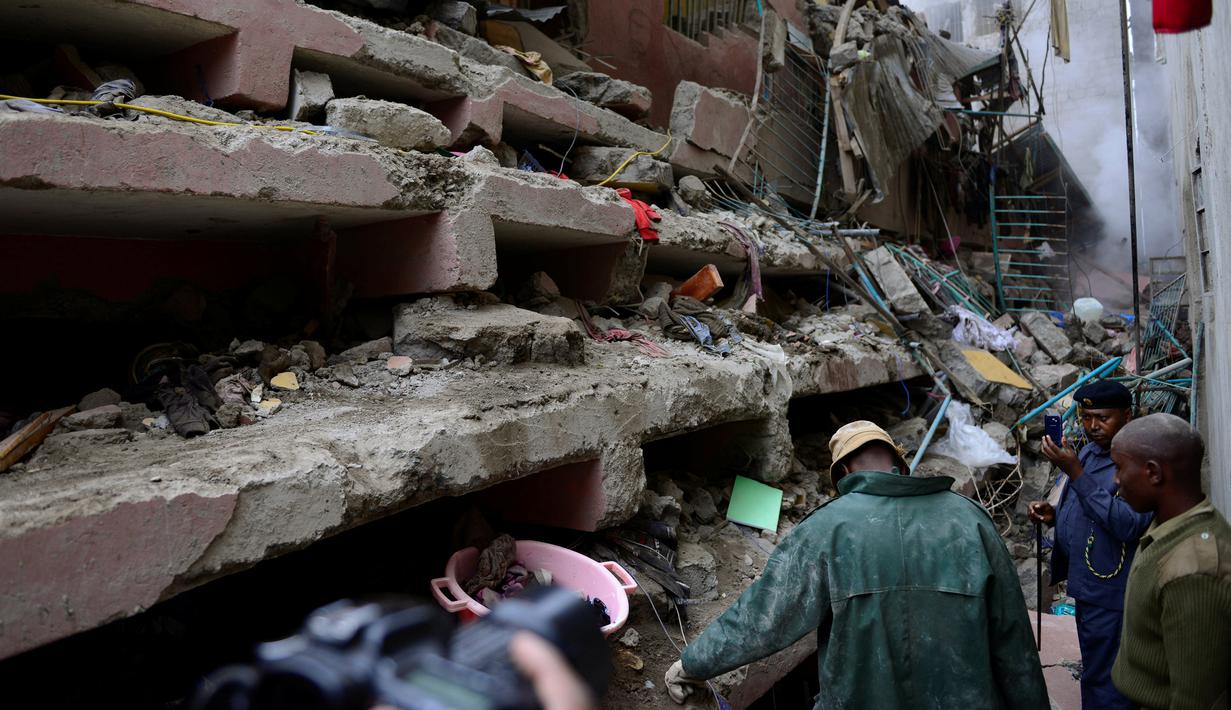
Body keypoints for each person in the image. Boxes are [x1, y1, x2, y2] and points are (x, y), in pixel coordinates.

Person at [664, 420, 1048, 709]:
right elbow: (1014, 642)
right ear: (900, 462)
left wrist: (693, 663)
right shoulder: (972, 521)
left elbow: (763, 619)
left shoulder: (825, 529)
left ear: (844, 472)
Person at [1028, 380, 1151, 710]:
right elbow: (1086, 507)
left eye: (1102, 417)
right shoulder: (1090, 452)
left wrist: (1076, 472)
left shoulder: (1140, 462)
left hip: (1111, 591)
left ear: (1127, 416)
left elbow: (1128, 524)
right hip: (1087, 586)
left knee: (1107, 676)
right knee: (1097, 667)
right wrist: (1053, 515)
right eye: (1085, 417)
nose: (1092, 426)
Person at [1109, 414, 1231, 709]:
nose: (1116, 481)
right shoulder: (1167, 528)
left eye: (1120, 468)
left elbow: (1195, 700)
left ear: (1153, 473)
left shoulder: (1194, 571)